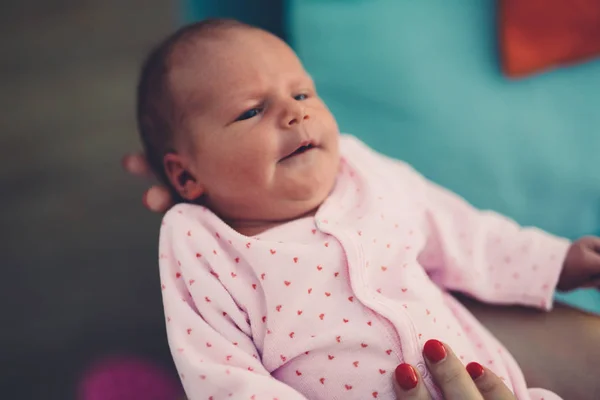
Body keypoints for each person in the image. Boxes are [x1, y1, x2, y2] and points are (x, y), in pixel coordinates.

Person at [131, 18, 600, 399]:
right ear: (186, 175)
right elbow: (223, 374)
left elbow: (463, 234)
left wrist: (556, 263)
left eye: (302, 94)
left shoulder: (361, 170)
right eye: (251, 110)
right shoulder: (198, 240)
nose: (295, 114)